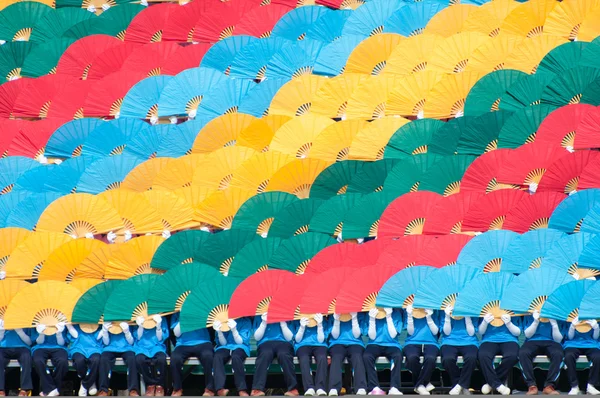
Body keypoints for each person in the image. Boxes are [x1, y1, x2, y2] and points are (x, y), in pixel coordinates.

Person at [250, 312, 298, 397]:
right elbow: (257, 337)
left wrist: (282, 322)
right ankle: (257, 388)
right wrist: (263, 322)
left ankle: (292, 388)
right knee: (265, 354)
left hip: (283, 342)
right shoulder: (260, 315)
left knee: (284, 355)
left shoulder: (287, 313)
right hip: (265, 342)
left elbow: (289, 337)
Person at [519, 311, 564, 395]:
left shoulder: (558, 312)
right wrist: (535, 321)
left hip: (552, 341)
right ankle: (531, 386)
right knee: (523, 353)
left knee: (558, 353)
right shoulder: (530, 312)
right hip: (532, 340)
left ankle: (549, 386)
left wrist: (554, 324)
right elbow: (528, 335)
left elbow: (558, 339)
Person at [170, 312, 214, 397]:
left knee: (208, 355)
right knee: (175, 358)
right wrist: (184, 316)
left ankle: (210, 388)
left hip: (203, 341)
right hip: (183, 343)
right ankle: (177, 388)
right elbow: (176, 333)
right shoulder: (176, 314)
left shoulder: (202, 309)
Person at [362, 307, 404, 395]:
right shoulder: (370, 312)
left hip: (392, 344)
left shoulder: (396, 313)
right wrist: (372, 319)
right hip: (374, 343)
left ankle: (394, 387)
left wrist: (389, 316)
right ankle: (374, 387)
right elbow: (372, 337)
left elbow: (393, 335)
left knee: (397, 356)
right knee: (367, 356)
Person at [478, 313, 521, 396]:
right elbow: (480, 332)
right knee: (483, 355)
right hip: (489, 339)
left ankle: (491, 383)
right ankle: (498, 385)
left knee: (513, 355)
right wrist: (485, 322)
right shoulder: (485, 308)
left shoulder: (512, 309)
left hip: (509, 339)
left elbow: (518, 333)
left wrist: (509, 323)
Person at [439, 306, 478, 396]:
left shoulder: (473, 309)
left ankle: (459, 385)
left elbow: (471, 333)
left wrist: (467, 316)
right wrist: (447, 316)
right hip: (449, 341)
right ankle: (461, 385)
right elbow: (446, 332)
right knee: (447, 359)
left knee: (471, 358)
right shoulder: (443, 309)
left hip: (469, 341)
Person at [328, 313, 367, 396]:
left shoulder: (359, 314)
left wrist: (354, 317)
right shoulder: (332, 313)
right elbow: (335, 336)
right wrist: (336, 320)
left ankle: (361, 387)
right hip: (337, 342)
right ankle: (334, 387)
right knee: (337, 357)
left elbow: (357, 335)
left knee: (357, 356)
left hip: (355, 342)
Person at [404, 306, 440, 395]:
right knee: (412, 358)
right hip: (412, 342)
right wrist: (409, 315)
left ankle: (419, 384)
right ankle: (424, 383)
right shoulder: (408, 308)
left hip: (431, 342)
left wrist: (429, 317)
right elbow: (410, 332)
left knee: (430, 359)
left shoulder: (434, 310)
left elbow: (435, 332)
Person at [97, 322, 140, 396]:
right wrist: (105, 331)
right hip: (110, 348)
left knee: (131, 358)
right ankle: (103, 390)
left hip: (126, 348)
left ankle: (133, 389)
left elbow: (131, 342)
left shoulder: (129, 321)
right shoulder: (108, 320)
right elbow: (106, 343)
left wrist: (127, 331)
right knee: (104, 359)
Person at [212, 318, 252, 396]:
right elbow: (223, 343)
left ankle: (241, 389)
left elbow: (241, 342)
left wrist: (234, 330)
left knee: (236, 357)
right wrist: (219, 332)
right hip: (224, 347)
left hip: (240, 346)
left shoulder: (245, 321)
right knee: (217, 357)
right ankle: (220, 388)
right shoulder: (221, 319)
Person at [563, 317, 600, 395]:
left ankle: (591, 385)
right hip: (572, 344)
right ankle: (574, 386)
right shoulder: (569, 316)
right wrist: (572, 327)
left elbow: (595, 338)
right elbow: (569, 337)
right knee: (569, 356)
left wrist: (596, 328)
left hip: (591, 344)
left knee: (597, 356)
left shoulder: (595, 316)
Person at [31, 323, 70, 397]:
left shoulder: (61, 321)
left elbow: (61, 343)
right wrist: (41, 333)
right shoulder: (37, 321)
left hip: (59, 347)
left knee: (62, 361)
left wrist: (59, 333)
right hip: (40, 347)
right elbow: (39, 342)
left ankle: (49, 389)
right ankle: (52, 389)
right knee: (38, 360)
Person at [295, 314, 329, 396]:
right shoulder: (298, 317)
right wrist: (302, 327)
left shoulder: (322, 318)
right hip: (302, 344)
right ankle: (309, 387)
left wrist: (320, 325)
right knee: (304, 359)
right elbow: (297, 339)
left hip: (320, 345)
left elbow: (321, 340)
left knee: (322, 357)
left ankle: (320, 387)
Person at [134, 315, 169, 397]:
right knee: (139, 360)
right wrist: (140, 326)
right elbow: (137, 337)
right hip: (142, 346)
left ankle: (160, 385)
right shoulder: (137, 317)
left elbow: (161, 339)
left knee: (161, 359)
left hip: (156, 345)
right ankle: (150, 384)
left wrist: (158, 326)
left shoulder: (161, 317)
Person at [66, 324, 102, 397]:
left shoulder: (98, 323)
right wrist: (68, 325)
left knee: (96, 360)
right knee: (79, 360)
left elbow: (98, 337)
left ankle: (84, 384)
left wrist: (104, 329)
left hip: (94, 348)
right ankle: (91, 382)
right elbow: (75, 336)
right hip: (78, 347)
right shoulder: (76, 323)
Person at [0, 319, 32, 396]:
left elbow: (29, 342)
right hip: (3, 347)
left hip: (22, 347)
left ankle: (25, 389)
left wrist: (20, 331)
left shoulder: (25, 320)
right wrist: (1, 331)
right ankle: (0, 389)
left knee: (26, 357)